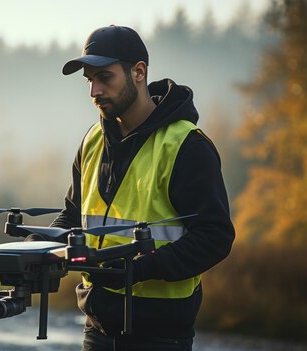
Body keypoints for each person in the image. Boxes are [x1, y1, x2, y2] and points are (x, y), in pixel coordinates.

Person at [49, 25, 235, 350]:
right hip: (96, 332)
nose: (94, 91)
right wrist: (39, 247)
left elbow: (214, 236)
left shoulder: (185, 145)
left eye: (105, 78)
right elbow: (73, 215)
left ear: (139, 72)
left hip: (161, 336)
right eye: (89, 80)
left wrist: (139, 269)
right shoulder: (92, 141)